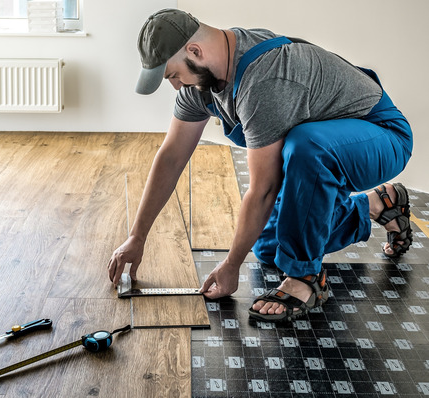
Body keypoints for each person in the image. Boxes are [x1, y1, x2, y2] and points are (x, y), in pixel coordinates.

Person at [107, 9, 413, 322]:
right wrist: (137, 237)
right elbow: (171, 156)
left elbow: (264, 190)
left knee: (306, 146)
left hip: (381, 137)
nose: (175, 86)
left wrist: (230, 266)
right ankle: (378, 204)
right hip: (328, 143)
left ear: (195, 51)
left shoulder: (262, 80)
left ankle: (306, 280)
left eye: (173, 75)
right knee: (271, 250)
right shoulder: (204, 81)